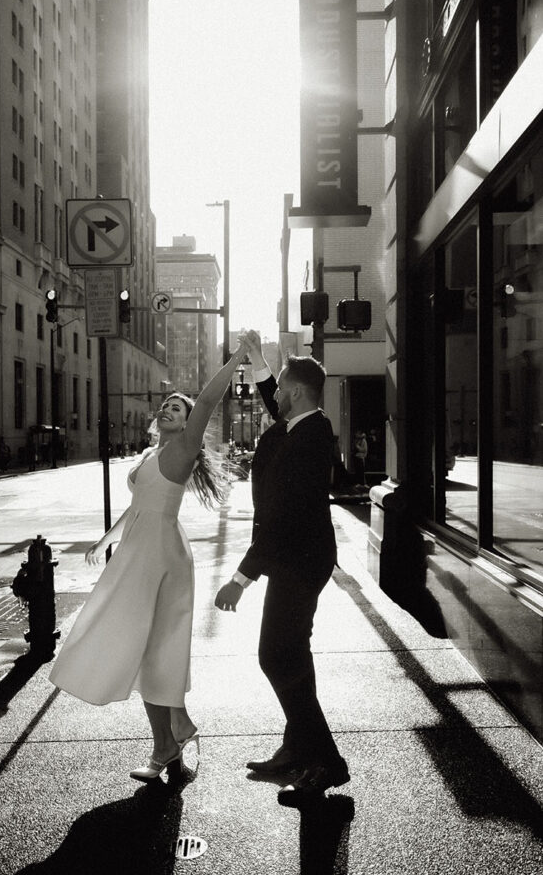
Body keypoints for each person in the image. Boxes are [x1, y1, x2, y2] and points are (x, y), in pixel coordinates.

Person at [49, 342, 247, 784]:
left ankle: (171, 735)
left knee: (149, 647)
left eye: (179, 408)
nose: (169, 410)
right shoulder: (151, 455)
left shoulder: (181, 451)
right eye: (166, 406)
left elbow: (209, 401)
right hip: (143, 548)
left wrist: (235, 362)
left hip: (159, 554)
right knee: (149, 651)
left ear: (187, 422)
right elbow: (138, 506)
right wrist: (107, 539)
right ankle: (170, 741)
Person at [215, 330, 349, 806]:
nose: (274, 397)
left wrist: (240, 578)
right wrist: (256, 356)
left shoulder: (310, 439)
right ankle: (298, 749)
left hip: (299, 560)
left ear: (294, 393)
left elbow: (282, 514)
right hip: (297, 559)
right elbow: (278, 402)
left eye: (280, 389)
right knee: (291, 657)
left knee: (277, 656)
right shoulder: (303, 426)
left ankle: (326, 762)